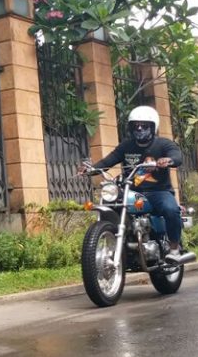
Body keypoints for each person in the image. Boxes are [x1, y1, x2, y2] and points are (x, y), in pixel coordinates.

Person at [77, 106, 186, 262]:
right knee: (111, 203)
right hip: (132, 191)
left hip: (158, 191)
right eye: (136, 125)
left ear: (153, 127)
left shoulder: (163, 144)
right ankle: (118, 240)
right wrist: (90, 169)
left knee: (171, 209)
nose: (139, 128)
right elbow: (108, 161)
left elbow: (176, 156)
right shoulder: (126, 146)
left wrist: (168, 160)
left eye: (144, 125)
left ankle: (174, 249)